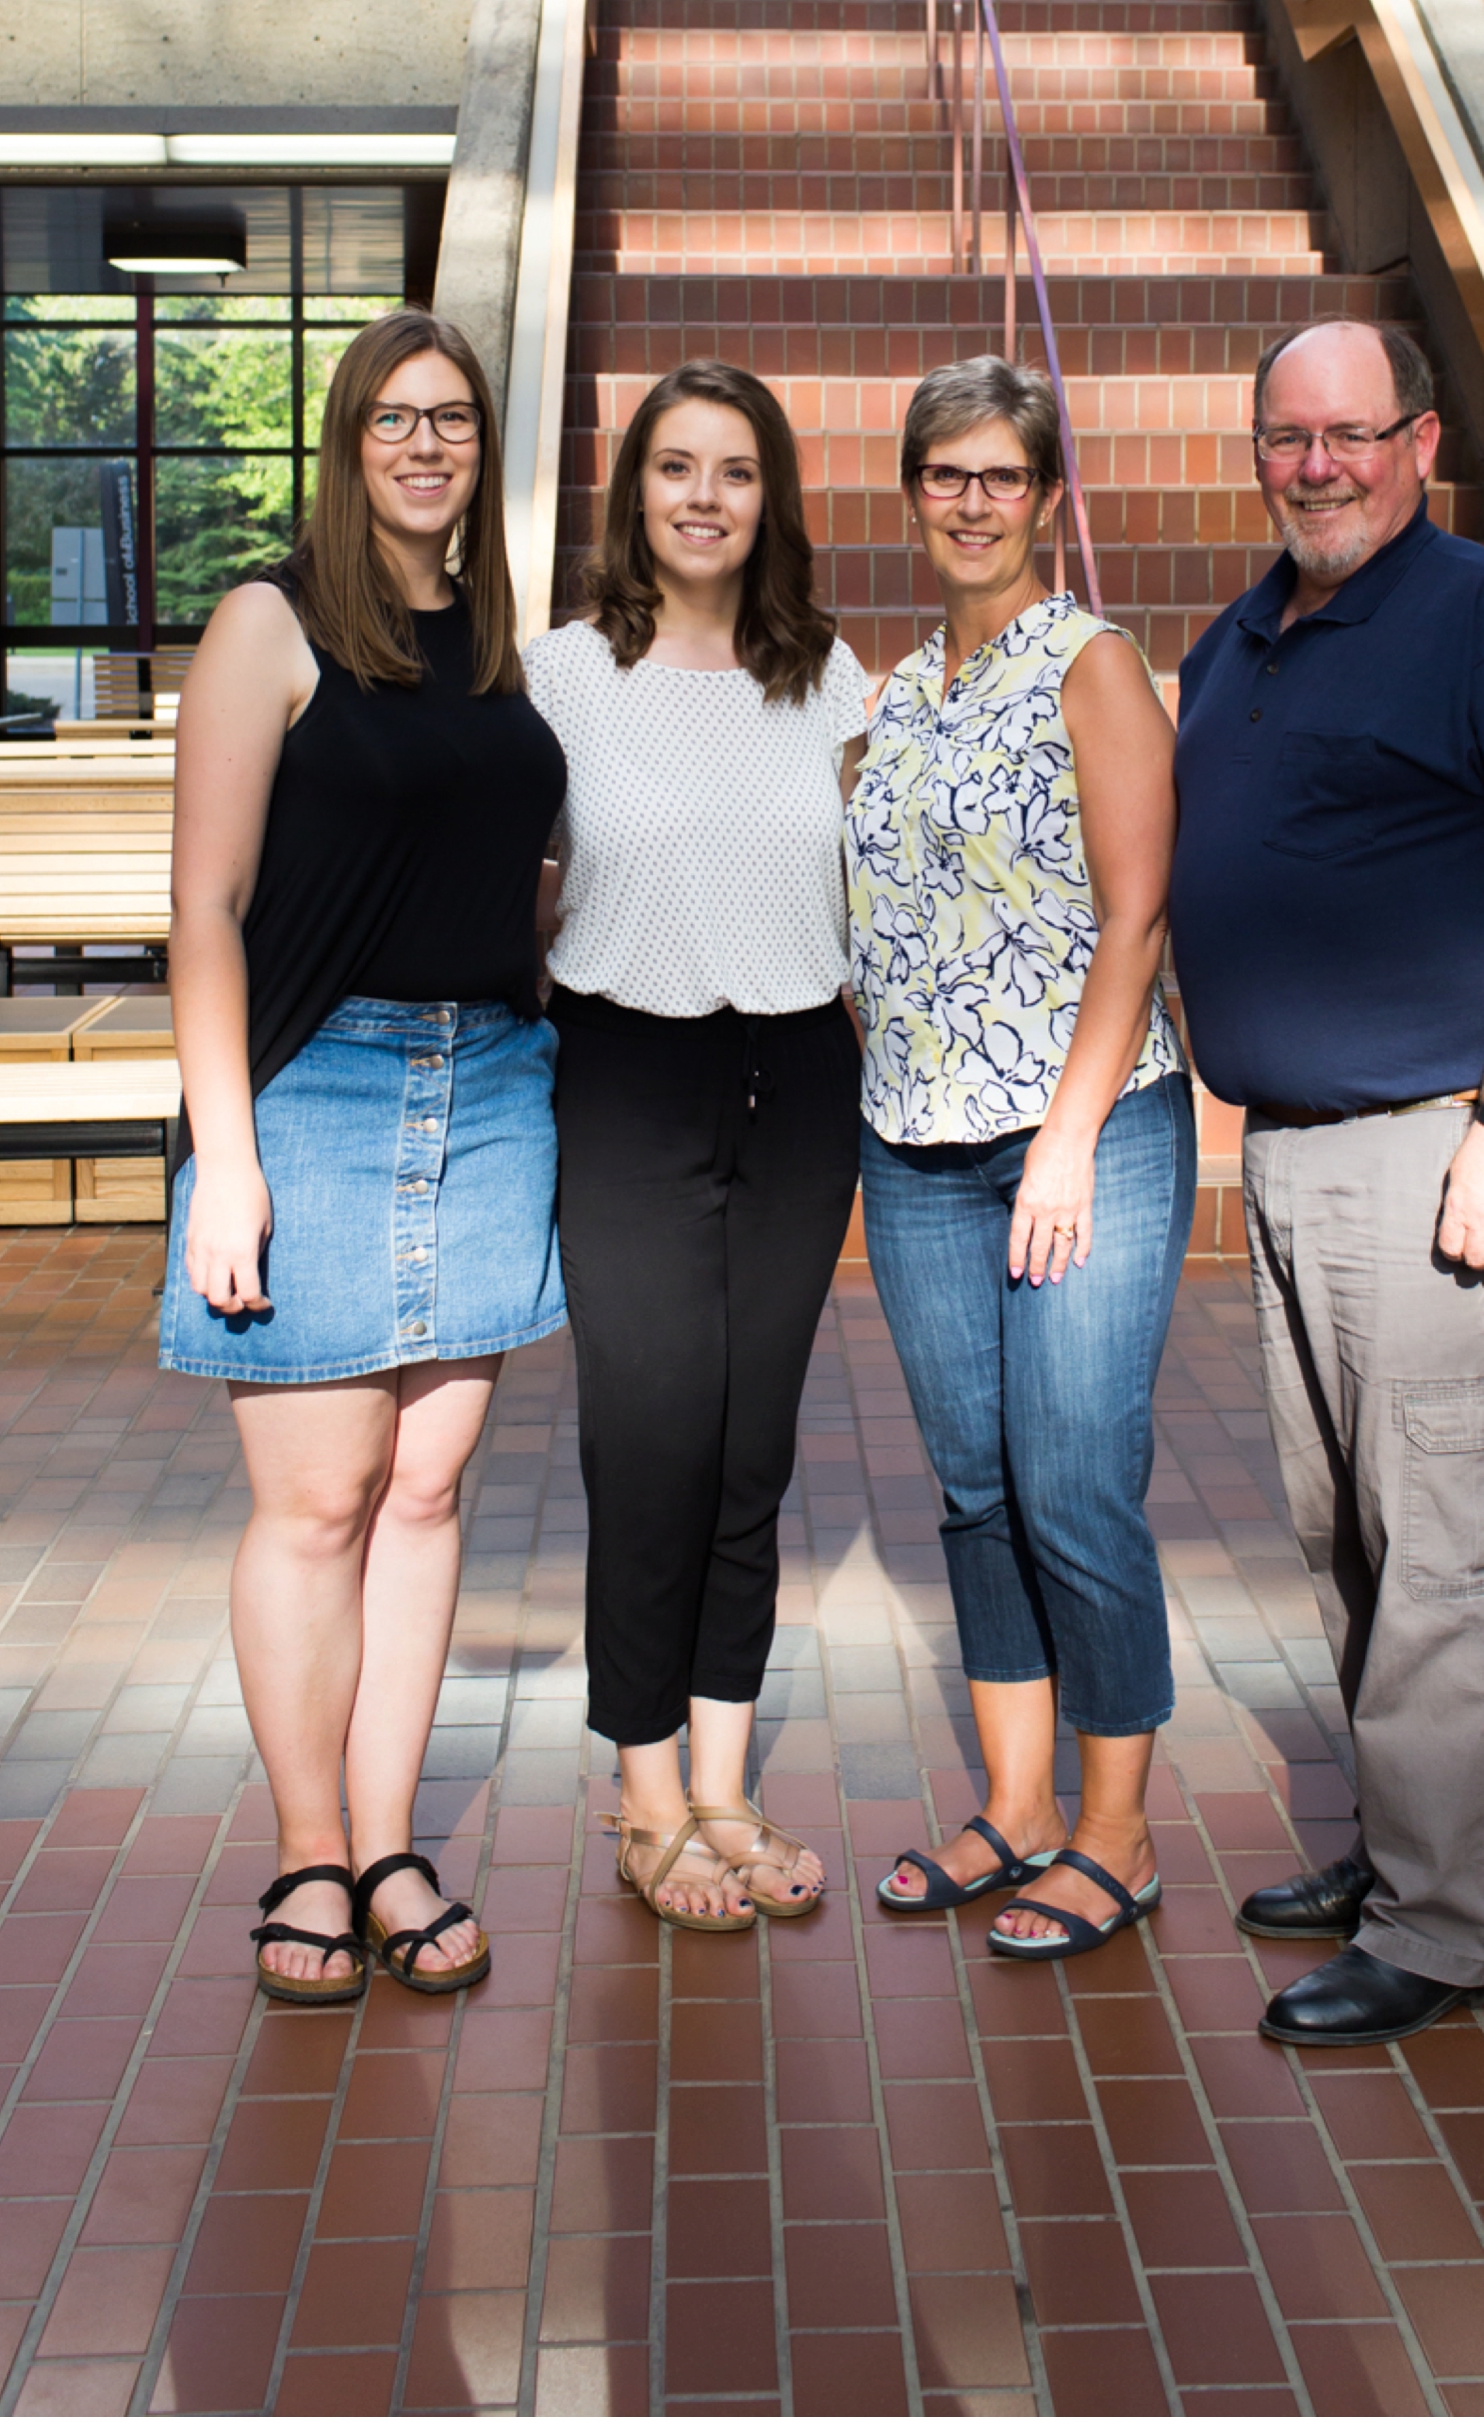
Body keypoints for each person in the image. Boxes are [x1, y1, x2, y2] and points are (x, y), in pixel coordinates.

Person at [1171, 318, 1484, 2049]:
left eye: (1351, 434)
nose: (1317, 464)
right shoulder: (1243, 636)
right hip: (1292, 1156)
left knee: (1439, 1540)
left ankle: (1446, 1925)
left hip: (1442, 1146)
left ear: (1420, 440)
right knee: (1350, 1534)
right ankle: (1396, 1848)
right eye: (1287, 435)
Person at [166, 308, 566, 2007]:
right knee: (316, 1498)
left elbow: (514, 860)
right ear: (347, 440)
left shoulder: (491, 635)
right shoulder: (268, 622)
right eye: (396, 419)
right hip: (314, 1092)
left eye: (454, 420)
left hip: (487, 1086)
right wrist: (226, 1154)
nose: (426, 444)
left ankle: (394, 1839)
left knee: (423, 1491)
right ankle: (310, 1850)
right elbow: (203, 909)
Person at [848, 357, 1195, 1961]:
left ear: (1049, 497)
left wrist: (1063, 1139)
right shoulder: (895, 689)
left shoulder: (1095, 664)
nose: (974, 500)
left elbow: (1135, 913)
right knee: (978, 1487)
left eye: (1003, 474)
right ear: (911, 492)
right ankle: (1016, 1803)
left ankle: (1118, 1831)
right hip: (913, 1144)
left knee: (1072, 1479)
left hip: (1087, 1137)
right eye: (946, 473)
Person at [528, 362, 867, 1931]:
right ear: (633, 493)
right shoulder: (562, 677)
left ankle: (722, 1784)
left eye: (737, 470)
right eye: (676, 466)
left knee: (751, 1446)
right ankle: (643, 1788)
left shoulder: (832, 677)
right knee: (646, 1438)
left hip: (797, 1081)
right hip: (626, 1073)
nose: (706, 496)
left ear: (771, 497)